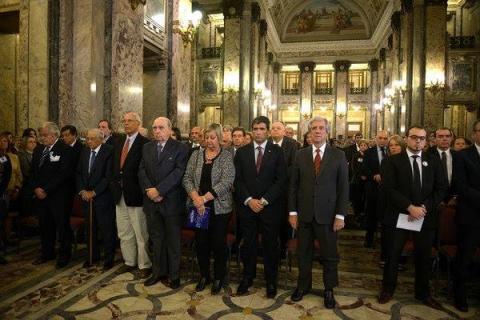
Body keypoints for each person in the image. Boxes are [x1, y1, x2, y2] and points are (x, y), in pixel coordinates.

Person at [378, 125, 447, 309]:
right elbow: (389, 189)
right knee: (393, 256)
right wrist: (409, 207)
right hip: (399, 215)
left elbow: (441, 188)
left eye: (422, 138)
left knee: (423, 257)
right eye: (414, 137)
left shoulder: (433, 161)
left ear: (426, 141)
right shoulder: (392, 161)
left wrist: (423, 207)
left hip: (425, 217)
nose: (418, 141)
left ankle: (423, 293)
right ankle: (387, 289)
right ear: (407, 138)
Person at [288, 116, 349, 309]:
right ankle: (303, 286)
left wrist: (341, 215)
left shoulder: (338, 155)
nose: (317, 131)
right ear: (309, 132)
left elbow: (343, 187)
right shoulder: (301, 154)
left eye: (321, 128)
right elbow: (293, 186)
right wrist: (292, 212)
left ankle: (329, 289)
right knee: (303, 253)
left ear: (327, 131)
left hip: (329, 215)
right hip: (304, 214)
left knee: (329, 255)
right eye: (313, 128)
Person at [234, 116, 287, 298]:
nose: (258, 132)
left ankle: (271, 281)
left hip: (269, 208)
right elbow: (238, 180)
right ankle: (247, 277)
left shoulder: (277, 151)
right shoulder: (242, 152)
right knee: (248, 244)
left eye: (262, 129)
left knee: (270, 246)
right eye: (255, 128)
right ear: (252, 130)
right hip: (248, 208)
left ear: (268, 131)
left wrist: (264, 200)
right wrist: (249, 200)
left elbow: (281, 181)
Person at [183, 123, 235, 294]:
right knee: (201, 243)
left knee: (218, 243)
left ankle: (219, 277)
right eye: (207, 138)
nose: (209, 141)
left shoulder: (226, 156)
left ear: (219, 138)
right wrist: (196, 198)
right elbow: (187, 178)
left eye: (213, 138)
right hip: (198, 207)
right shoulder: (196, 155)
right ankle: (204, 275)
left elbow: (227, 182)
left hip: (219, 208)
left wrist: (204, 198)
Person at [138, 117, 188, 288]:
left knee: (173, 241)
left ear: (169, 129)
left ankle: (174, 276)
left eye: (161, 127)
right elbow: (142, 170)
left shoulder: (180, 148)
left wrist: (159, 190)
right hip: (152, 201)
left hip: (171, 201)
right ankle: (157, 273)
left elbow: (179, 172)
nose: (157, 131)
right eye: (154, 128)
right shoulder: (147, 147)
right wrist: (150, 191)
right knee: (156, 240)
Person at [111, 111, 152, 278]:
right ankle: (129, 261)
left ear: (137, 123)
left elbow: (146, 170)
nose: (126, 123)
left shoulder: (145, 143)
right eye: (124, 120)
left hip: (136, 195)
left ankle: (144, 265)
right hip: (119, 194)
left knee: (141, 233)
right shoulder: (119, 141)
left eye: (129, 121)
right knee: (124, 231)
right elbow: (114, 166)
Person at [31, 122, 74, 268]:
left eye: (44, 135)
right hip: (40, 196)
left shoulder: (65, 149)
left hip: (58, 196)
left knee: (62, 226)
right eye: (41, 135)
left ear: (54, 134)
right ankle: (47, 253)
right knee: (45, 226)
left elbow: (64, 173)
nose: (42, 138)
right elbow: (33, 172)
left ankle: (64, 255)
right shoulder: (38, 150)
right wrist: (36, 188)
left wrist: (46, 189)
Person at [76, 129, 115, 270]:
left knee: (106, 229)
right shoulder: (85, 151)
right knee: (89, 228)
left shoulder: (109, 150)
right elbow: (79, 172)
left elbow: (108, 176)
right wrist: (82, 190)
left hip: (103, 197)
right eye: (87, 138)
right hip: (86, 197)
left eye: (91, 139)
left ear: (100, 139)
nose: (88, 141)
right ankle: (92, 256)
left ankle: (109, 258)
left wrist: (94, 192)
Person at [453, 119, 480, 312]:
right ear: (474, 134)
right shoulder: (463, 156)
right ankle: (460, 295)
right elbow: (460, 186)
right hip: (471, 214)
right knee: (465, 256)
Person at [378, 135, 406, 268]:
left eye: (397, 145)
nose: (393, 147)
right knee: (388, 232)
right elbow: (385, 184)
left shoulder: (407, 161)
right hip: (388, 201)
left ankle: (399, 258)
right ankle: (386, 257)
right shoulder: (386, 161)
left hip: (405, 203)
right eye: (391, 145)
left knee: (401, 233)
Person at [362, 130, 389, 248]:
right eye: (380, 138)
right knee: (371, 214)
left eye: (385, 138)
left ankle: (386, 240)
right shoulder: (369, 152)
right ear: (376, 138)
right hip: (373, 188)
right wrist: (374, 175)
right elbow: (364, 169)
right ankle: (369, 238)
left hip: (388, 190)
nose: (382, 140)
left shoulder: (392, 151)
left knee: (386, 215)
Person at [0, 135, 12, 264]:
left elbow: (7, 174)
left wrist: (2, 189)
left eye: (6, 141)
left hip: (1, 193)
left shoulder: (5, 157)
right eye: (2, 141)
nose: (5, 143)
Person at [18, 135, 37, 217]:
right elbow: (26, 171)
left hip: (37, 183)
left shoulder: (37, 153)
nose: (33, 144)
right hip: (27, 184)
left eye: (34, 142)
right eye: (30, 142)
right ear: (25, 143)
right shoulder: (21, 154)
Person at [349, 139, 369, 220]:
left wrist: (367, 175)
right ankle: (357, 213)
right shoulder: (356, 155)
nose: (363, 147)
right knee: (357, 197)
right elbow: (353, 167)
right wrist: (360, 175)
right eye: (361, 145)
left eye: (365, 145)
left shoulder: (369, 155)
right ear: (359, 146)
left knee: (365, 197)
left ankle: (364, 212)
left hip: (367, 180)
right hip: (357, 180)